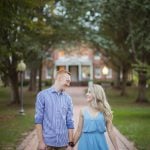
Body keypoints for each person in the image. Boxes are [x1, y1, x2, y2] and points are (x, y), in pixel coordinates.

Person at [35, 70, 74, 150]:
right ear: (59, 78)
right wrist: (40, 142)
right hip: (47, 144)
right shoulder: (42, 95)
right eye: (67, 81)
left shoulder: (68, 99)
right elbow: (38, 120)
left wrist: (71, 144)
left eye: (69, 82)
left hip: (63, 144)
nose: (68, 84)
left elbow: (70, 122)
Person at [73, 84, 119, 150]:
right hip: (85, 144)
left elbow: (110, 130)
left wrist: (116, 148)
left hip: (100, 143)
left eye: (89, 92)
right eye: (87, 92)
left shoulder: (105, 111)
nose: (87, 94)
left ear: (96, 94)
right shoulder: (83, 111)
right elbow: (78, 131)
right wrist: (71, 145)